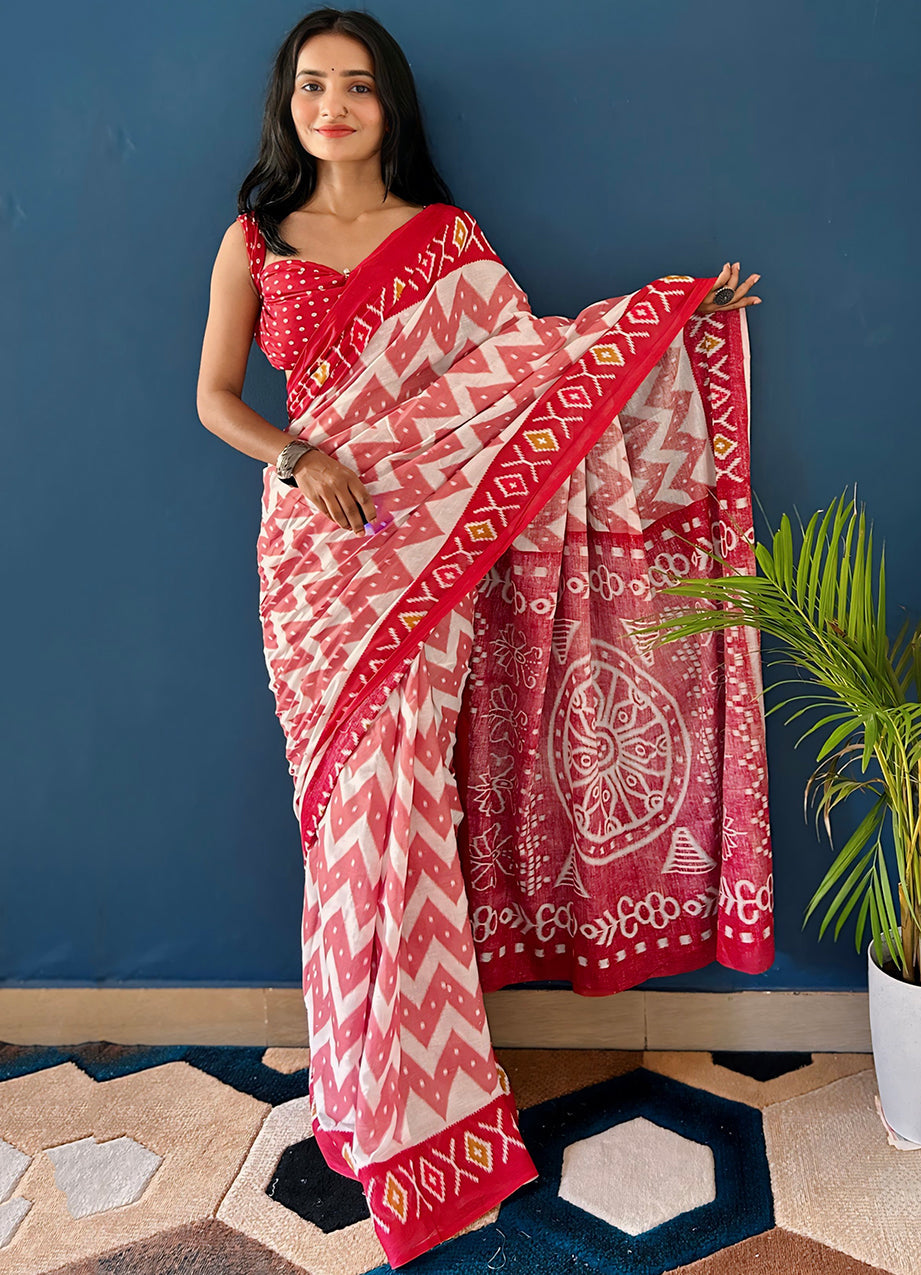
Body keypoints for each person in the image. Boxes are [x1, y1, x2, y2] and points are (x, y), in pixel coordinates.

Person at [196, 7, 767, 1268]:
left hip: (431, 556)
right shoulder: (256, 240)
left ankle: (416, 1105)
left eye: (354, 86)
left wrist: (673, 317)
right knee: (345, 826)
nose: (331, 106)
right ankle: (361, 1090)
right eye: (310, 86)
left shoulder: (445, 243)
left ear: (389, 104)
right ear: (285, 104)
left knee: (403, 813)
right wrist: (302, 453)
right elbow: (214, 400)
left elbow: (529, 374)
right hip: (314, 563)